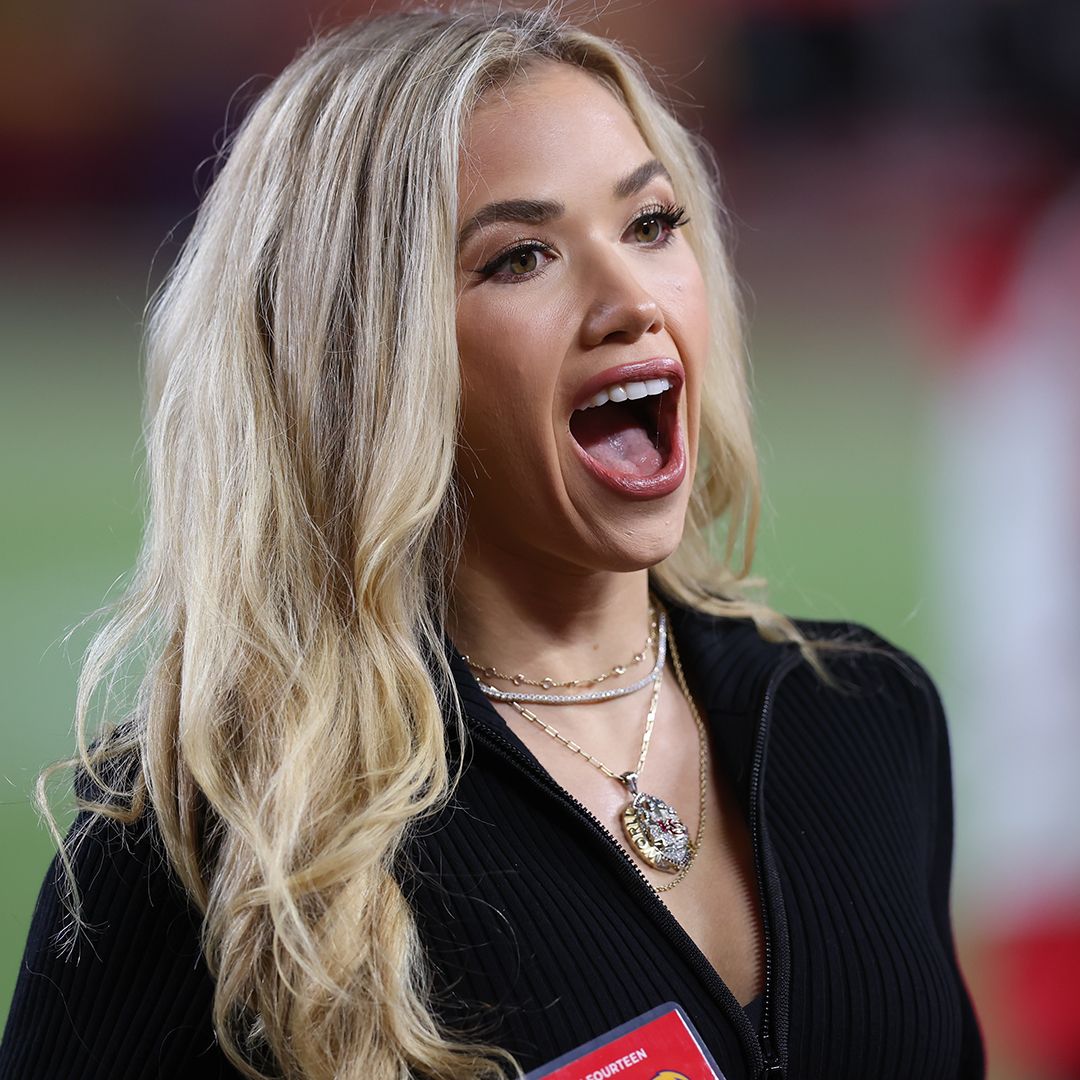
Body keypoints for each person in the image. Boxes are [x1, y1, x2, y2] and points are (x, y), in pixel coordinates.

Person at [0, 6, 985, 1079]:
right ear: (365, 355)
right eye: (522, 257)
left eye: (651, 225)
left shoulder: (865, 717)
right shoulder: (195, 842)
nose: (628, 302)